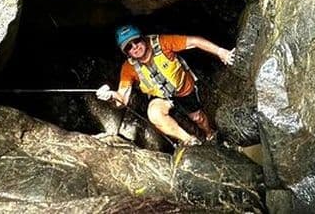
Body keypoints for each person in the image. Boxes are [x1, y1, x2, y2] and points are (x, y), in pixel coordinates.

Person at [96, 24, 235, 146]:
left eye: (136, 41)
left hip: (183, 89)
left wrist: (220, 52)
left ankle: (210, 134)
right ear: (126, 52)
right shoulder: (128, 68)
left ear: (142, 38)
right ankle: (190, 140)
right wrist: (110, 96)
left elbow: (194, 41)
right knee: (154, 113)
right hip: (161, 96)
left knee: (198, 118)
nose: (135, 47)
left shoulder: (163, 43)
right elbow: (122, 99)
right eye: (129, 47)